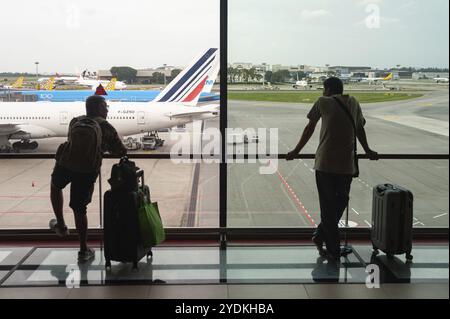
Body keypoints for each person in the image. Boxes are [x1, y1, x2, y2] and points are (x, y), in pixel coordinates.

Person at [286, 77, 379, 261]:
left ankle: (322, 238)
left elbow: (309, 127)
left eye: (323, 88)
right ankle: (332, 247)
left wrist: (296, 151)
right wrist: (367, 150)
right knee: (339, 203)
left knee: (329, 207)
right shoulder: (354, 102)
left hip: (326, 164)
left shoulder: (323, 102)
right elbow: (360, 129)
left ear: (327, 89)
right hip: (346, 165)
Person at [49, 95, 127, 262]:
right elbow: (121, 151)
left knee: (56, 186)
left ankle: (61, 224)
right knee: (79, 209)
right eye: (105, 106)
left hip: (65, 164)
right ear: (99, 108)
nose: (107, 110)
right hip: (87, 170)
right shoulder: (105, 126)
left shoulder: (75, 121)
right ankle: (83, 250)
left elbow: (70, 140)